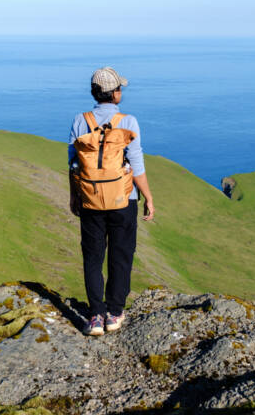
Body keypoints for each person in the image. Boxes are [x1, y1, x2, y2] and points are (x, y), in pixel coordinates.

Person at [68, 67, 155, 337]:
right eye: (120, 89)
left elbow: (73, 164)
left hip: (91, 200)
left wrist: (74, 196)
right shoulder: (128, 121)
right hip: (122, 199)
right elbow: (137, 163)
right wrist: (148, 197)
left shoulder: (80, 121)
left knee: (93, 257)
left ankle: (95, 316)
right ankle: (114, 313)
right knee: (121, 255)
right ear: (114, 93)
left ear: (95, 92)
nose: (121, 93)